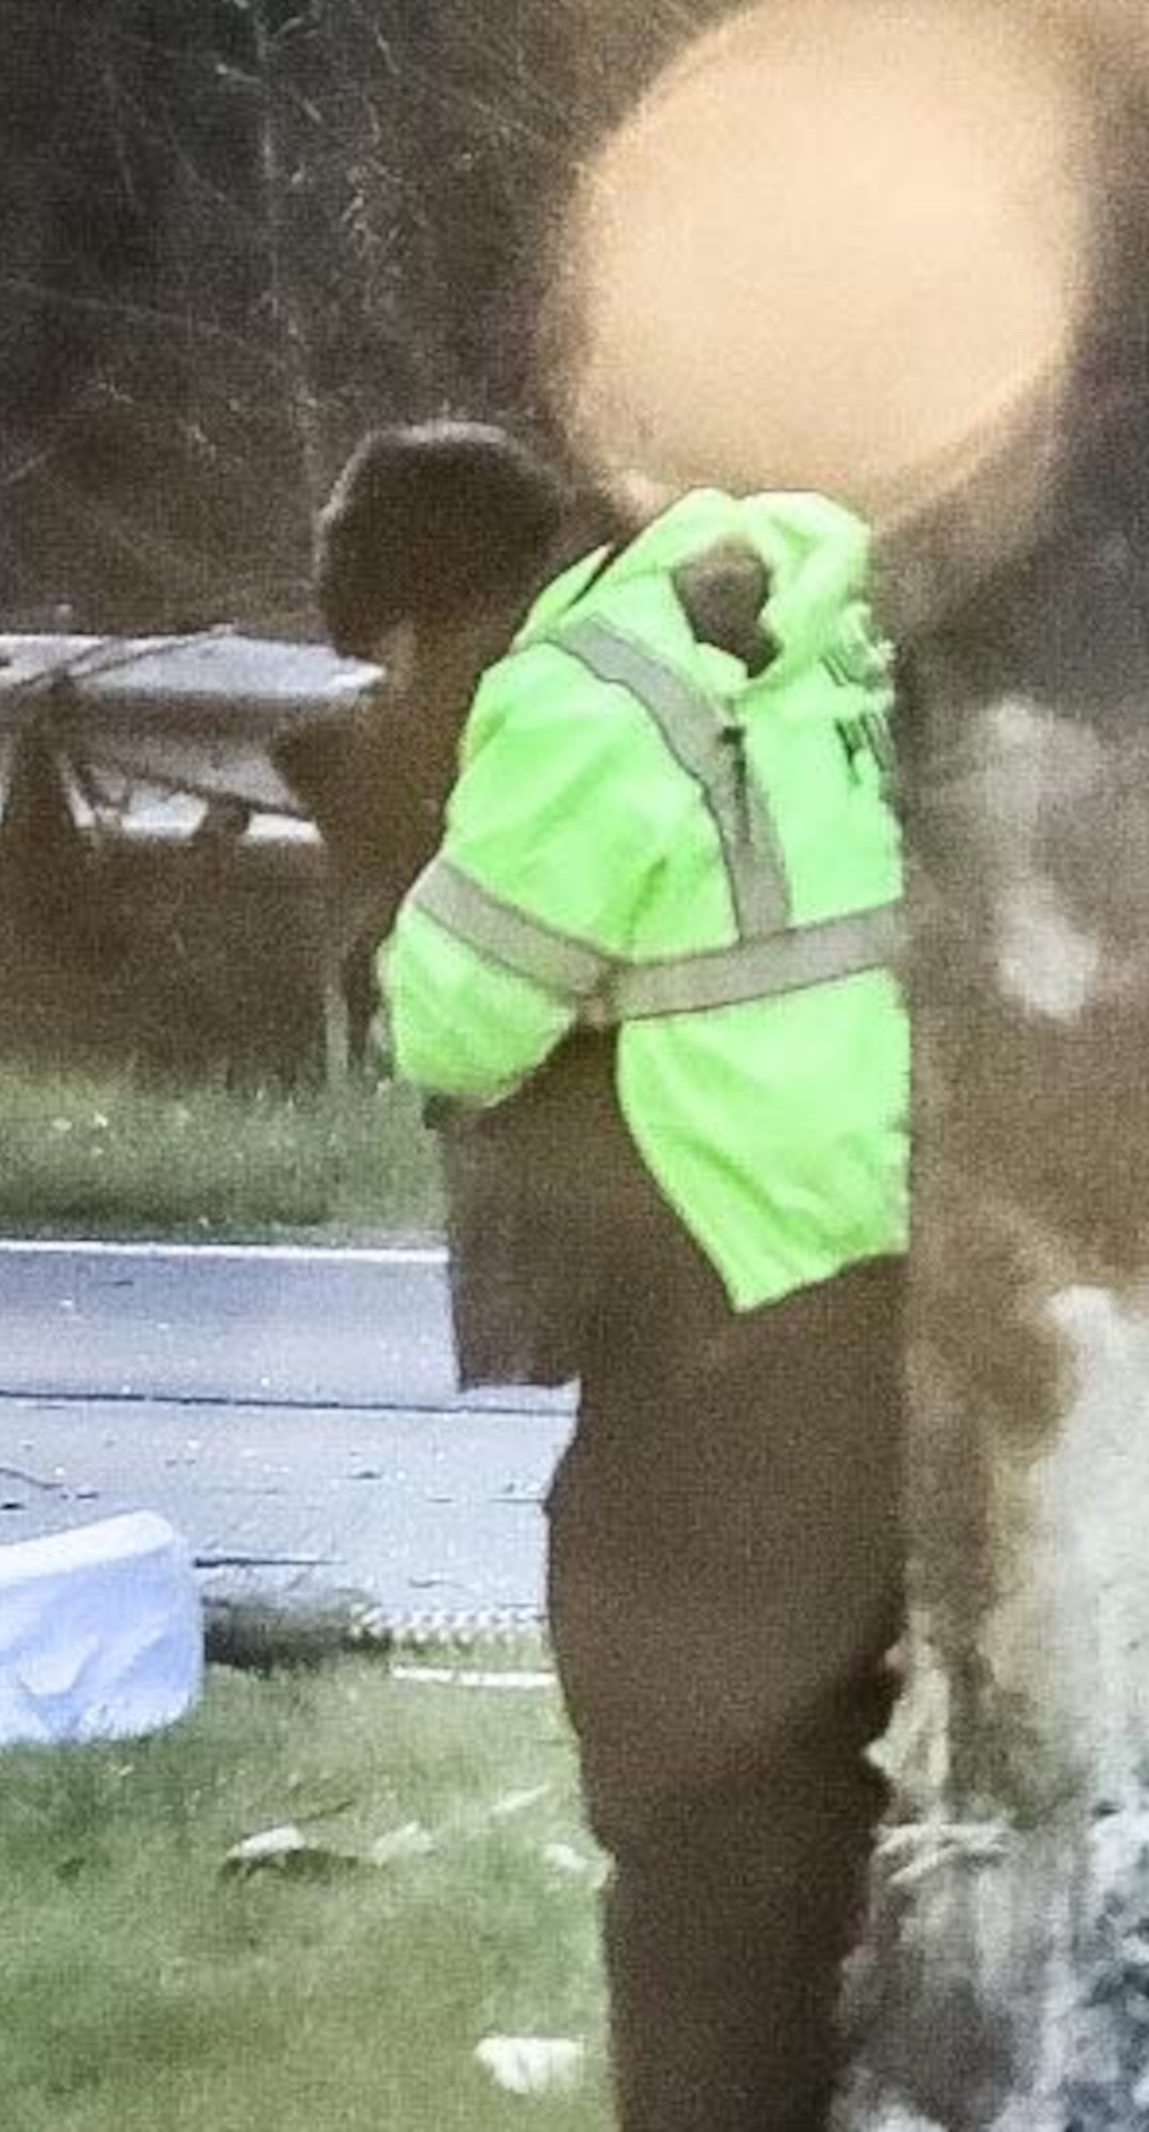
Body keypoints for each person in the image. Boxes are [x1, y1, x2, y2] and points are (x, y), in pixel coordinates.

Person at [311, 422, 911, 2132]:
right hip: (902, 1254)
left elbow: (459, 1020)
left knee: (694, 1786)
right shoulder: (785, 591)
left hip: (756, 1281)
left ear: (431, 626)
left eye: (391, 664)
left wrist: (401, 852)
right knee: (836, 1766)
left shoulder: (585, 695)